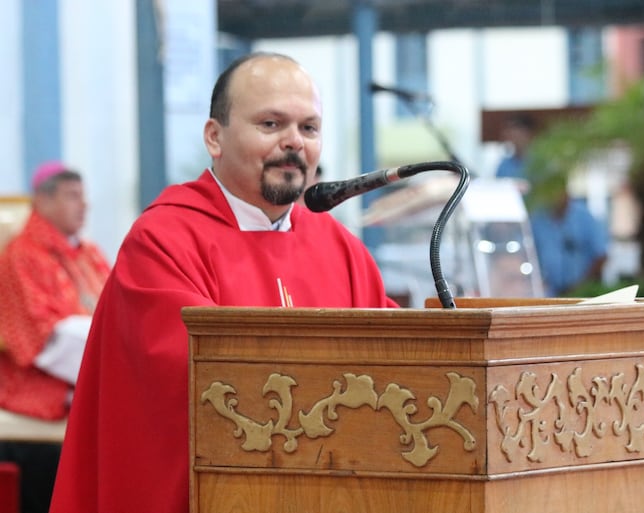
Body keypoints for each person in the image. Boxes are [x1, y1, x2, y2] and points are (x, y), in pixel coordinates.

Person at [49, 52, 398, 513]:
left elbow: (401, 355)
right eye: (271, 124)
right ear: (215, 137)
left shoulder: (339, 246)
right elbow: (201, 381)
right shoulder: (165, 240)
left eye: (308, 128)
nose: (294, 142)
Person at [0, 161, 111, 513]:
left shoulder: (87, 252)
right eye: (72, 196)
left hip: (77, 373)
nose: (84, 205)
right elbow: (40, 334)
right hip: (38, 379)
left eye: (84, 196)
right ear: (43, 201)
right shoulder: (22, 255)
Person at [529, 185, 608, 297]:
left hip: (582, 292)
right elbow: (530, 254)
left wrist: (582, 285)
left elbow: (601, 255)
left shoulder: (584, 217)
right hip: (548, 293)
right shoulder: (538, 219)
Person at [495, 113, 536, 191]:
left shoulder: (543, 163)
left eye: (516, 130)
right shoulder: (504, 165)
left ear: (528, 132)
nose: (512, 134)